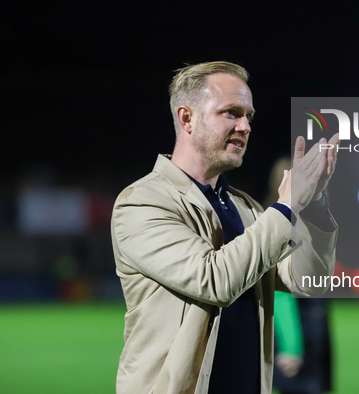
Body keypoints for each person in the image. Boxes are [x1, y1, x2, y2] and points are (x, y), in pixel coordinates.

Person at [110, 61, 339, 394]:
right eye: (231, 113)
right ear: (187, 118)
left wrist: (315, 206)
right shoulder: (142, 202)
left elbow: (308, 282)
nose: (245, 126)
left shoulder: (245, 207)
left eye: (249, 115)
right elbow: (214, 281)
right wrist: (287, 206)